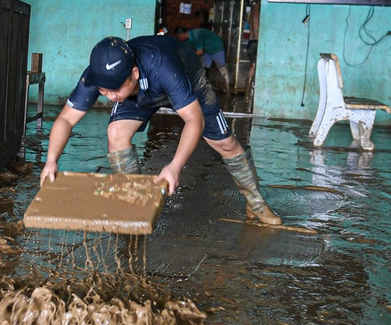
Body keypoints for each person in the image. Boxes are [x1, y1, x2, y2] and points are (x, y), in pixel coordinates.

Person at [39, 35, 280, 225]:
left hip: (185, 78)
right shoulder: (98, 75)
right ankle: (134, 206)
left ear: (133, 73)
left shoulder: (163, 65)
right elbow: (65, 120)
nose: (110, 96)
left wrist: (175, 167)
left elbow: (194, 120)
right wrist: (51, 160)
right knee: (116, 134)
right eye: (103, 91)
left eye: (114, 90)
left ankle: (256, 203)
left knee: (225, 144)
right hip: (139, 93)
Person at [173, 25, 231, 91]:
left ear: (181, 35)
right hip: (206, 50)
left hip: (216, 48)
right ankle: (207, 87)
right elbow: (189, 52)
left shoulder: (197, 34)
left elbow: (199, 52)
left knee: (221, 68)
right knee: (204, 68)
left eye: (178, 37)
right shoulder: (187, 40)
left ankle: (228, 90)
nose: (178, 39)